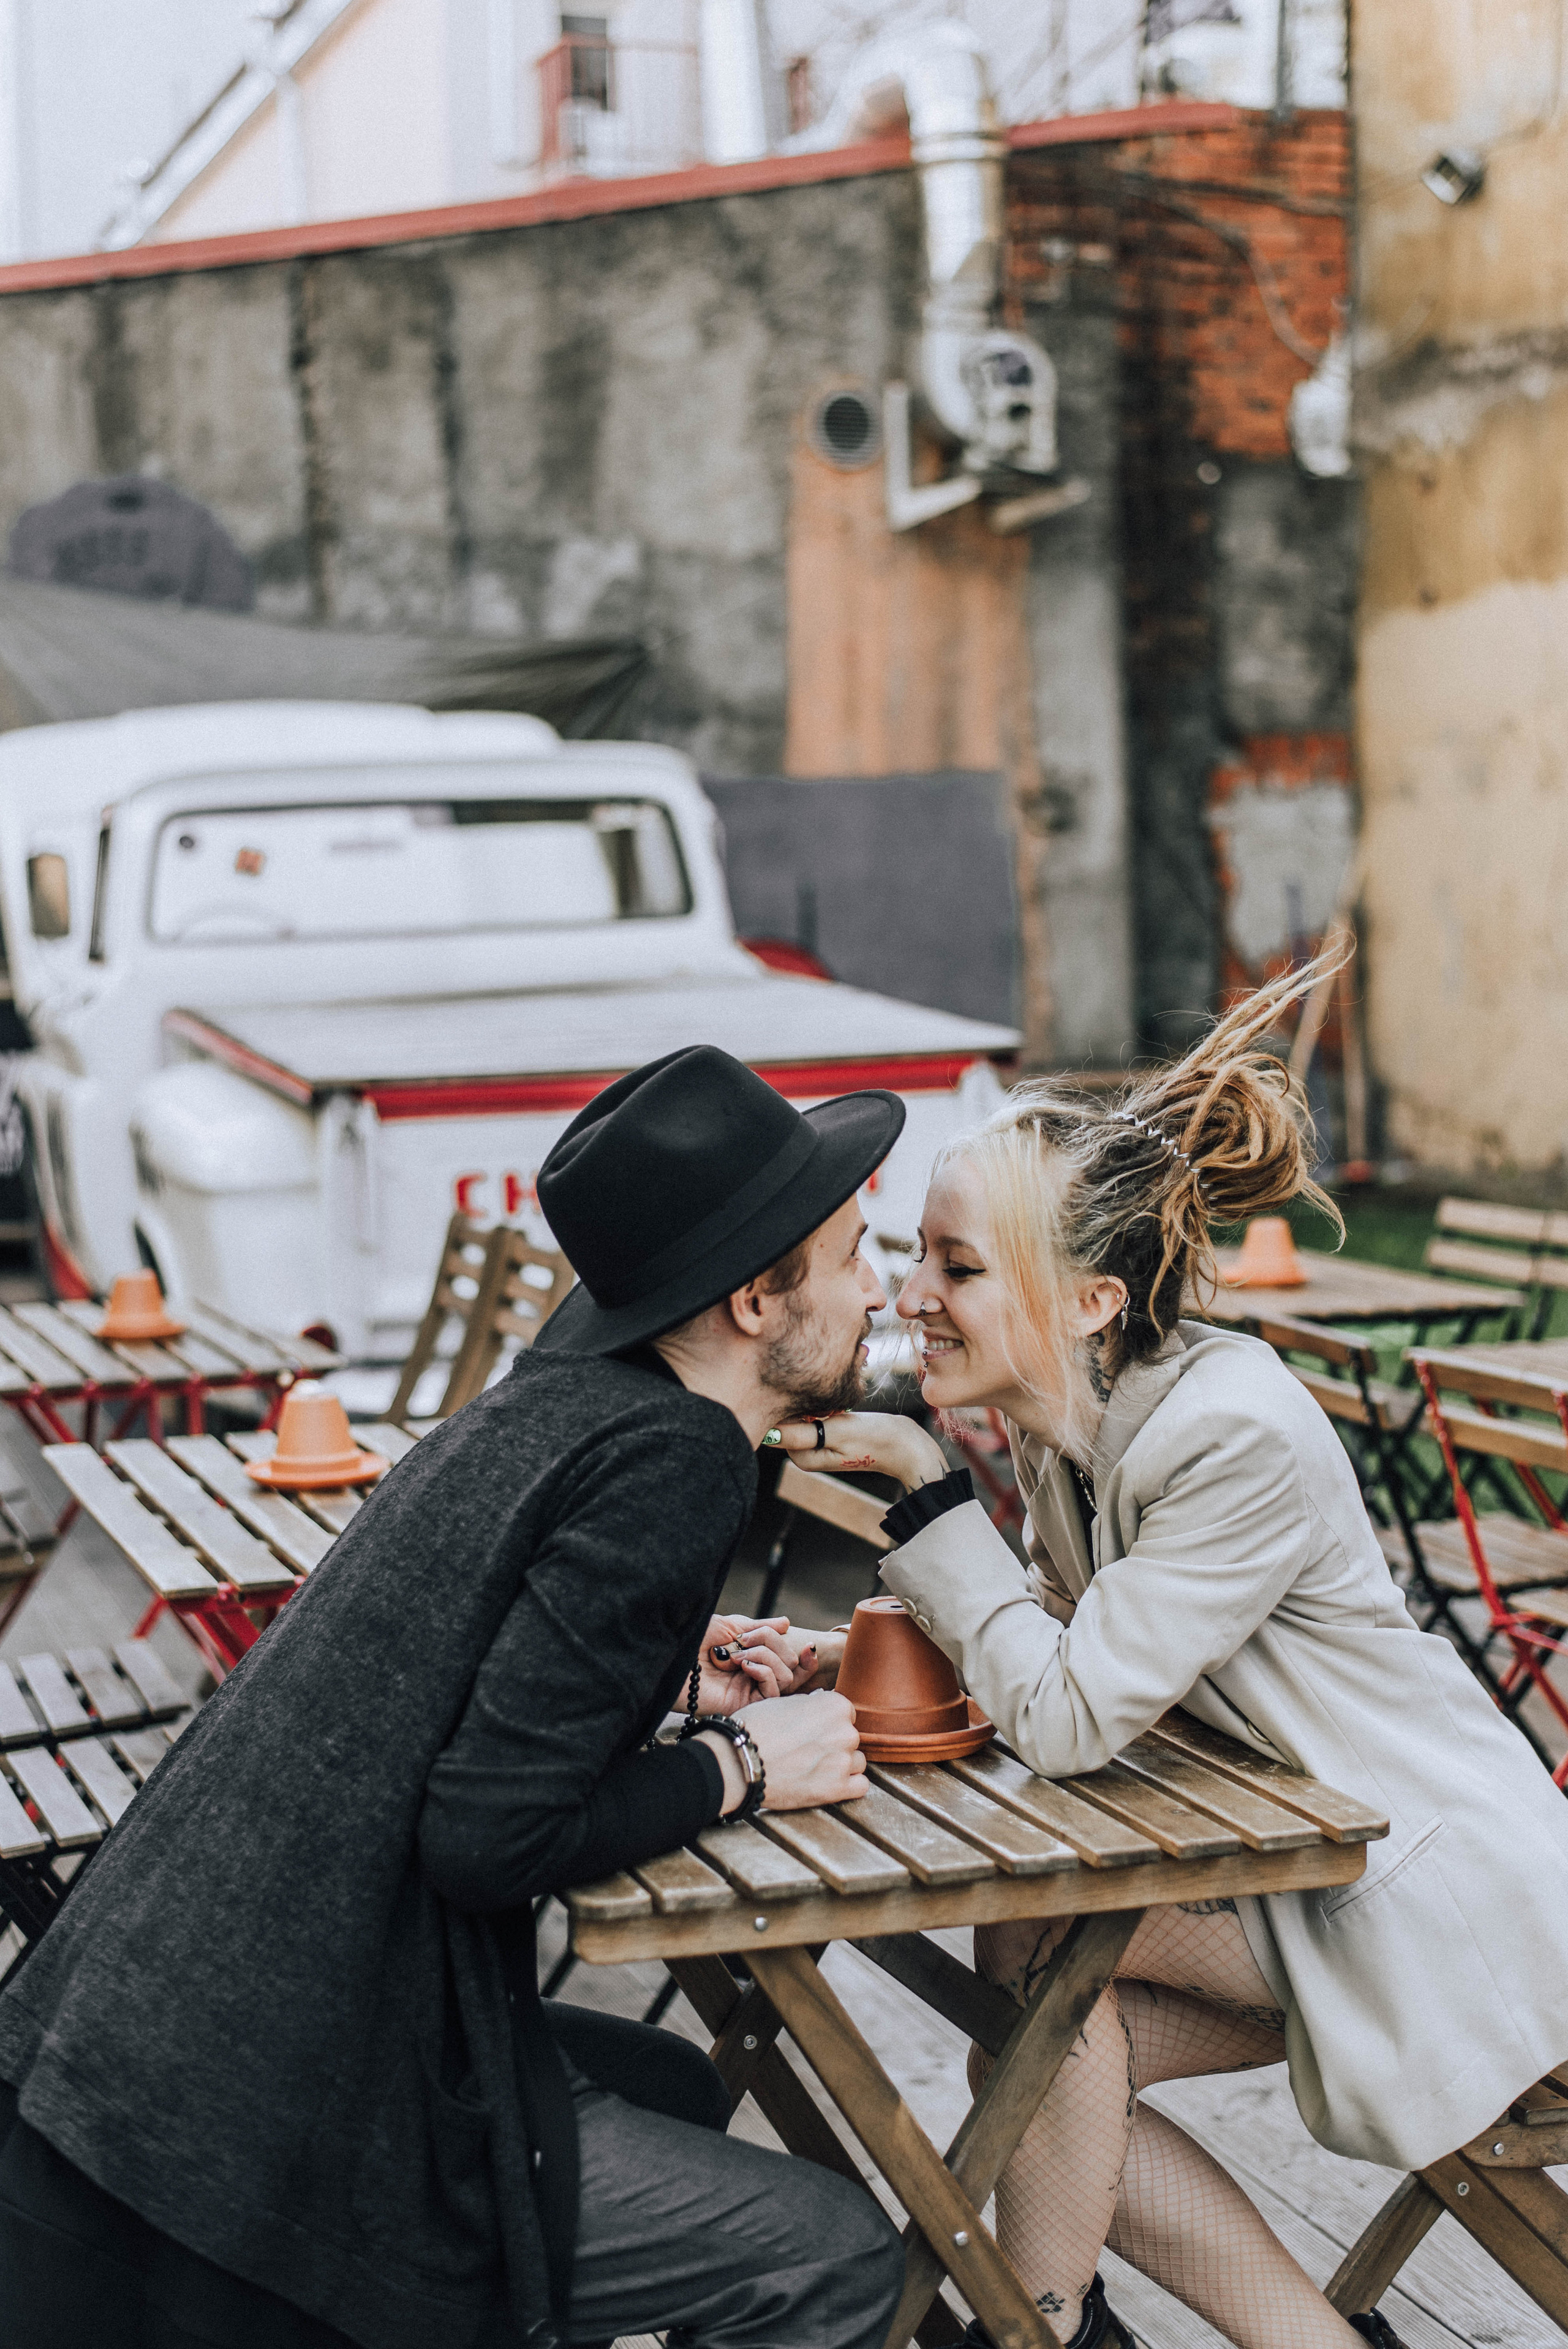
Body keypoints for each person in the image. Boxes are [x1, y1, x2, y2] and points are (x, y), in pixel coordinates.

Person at [0, 1045, 909, 2349]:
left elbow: (475, 1672)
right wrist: (747, 1765)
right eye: (854, 1254)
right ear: (757, 1299)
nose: (877, 1289)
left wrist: (664, 1683)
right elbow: (488, 1833)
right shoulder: (677, 1455)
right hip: (255, 2119)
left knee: (670, 2076)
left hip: (134, 2032)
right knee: (831, 2256)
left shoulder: (566, 1405)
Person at [774, 963, 1568, 2349]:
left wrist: (925, 1495)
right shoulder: (1071, 1417)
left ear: (1090, 1300)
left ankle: (1033, 2328)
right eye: (918, 1257)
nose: (910, 1295)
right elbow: (1045, 1635)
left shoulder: (1227, 1433)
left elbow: (1065, 1715)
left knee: (1037, 1948)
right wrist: (831, 1658)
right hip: (1299, 1862)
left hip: (1433, 1898)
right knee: (1051, 2038)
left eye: (957, 1266)